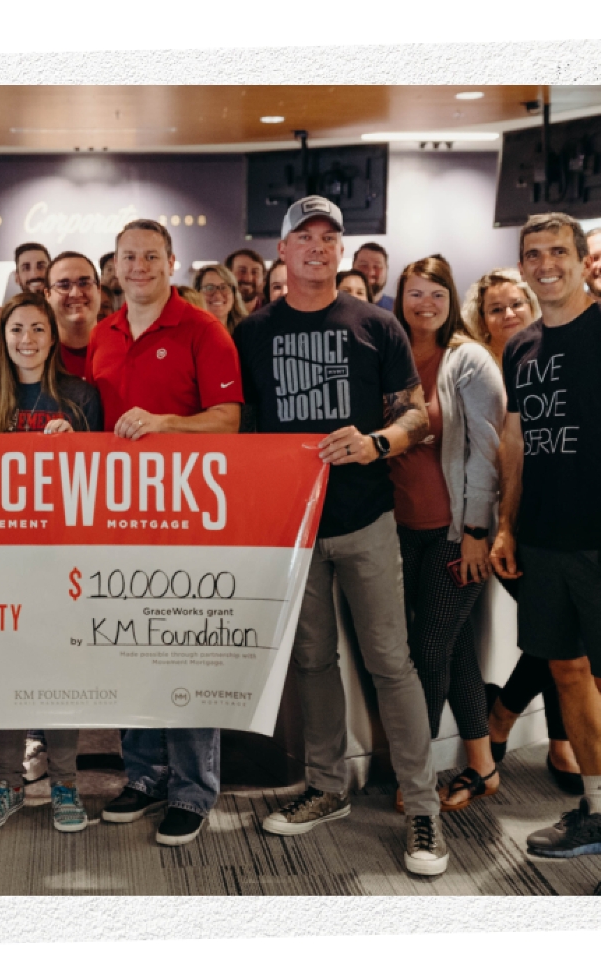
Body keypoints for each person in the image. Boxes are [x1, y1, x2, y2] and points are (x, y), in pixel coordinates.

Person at [232, 196, 448, 877]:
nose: (318, 247)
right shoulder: (253, 332)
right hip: (293, 531)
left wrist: (378, 441)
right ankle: (327, 788)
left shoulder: (376, 325)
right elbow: (237, 430)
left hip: (365, 522)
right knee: (313, 662)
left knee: (391, 662)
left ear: (341, 251)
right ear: (284, 252)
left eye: (330, 237)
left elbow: (418, 416)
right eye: (305, 237)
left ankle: (422, 807)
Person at [490, 212, 601, 895]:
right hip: (542, 543)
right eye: (532, 253)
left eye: (557, 251)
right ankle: (600, 813)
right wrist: (505, 527)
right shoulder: (520, 347)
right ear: (522, 265)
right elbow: (517, 448)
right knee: (567, 674)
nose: (544, 262)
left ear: (582, 259)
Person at [88, 218, 242, 847]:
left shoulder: (204, 329)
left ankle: (192, 789)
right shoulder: (103, 333)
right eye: (129, 257)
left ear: (172, 263)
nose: (140, 266)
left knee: (183, 650)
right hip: (119, 520)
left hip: (186, 520)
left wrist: (166, 425)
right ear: (116, 267)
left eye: (151, 256)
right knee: (130, 649)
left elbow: (228, 421)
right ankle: (144, 775)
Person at [0, 292, 103, 834]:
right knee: (4, 673)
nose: (28, 340)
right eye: (17, 328)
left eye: (38, 329)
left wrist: (80, 447)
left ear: (53, 335)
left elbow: (101, 484)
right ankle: (7, 784)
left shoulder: (79, 397)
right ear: (3, 336)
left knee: (59, 672)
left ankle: (65, 783)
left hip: (61, 560)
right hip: (0, 564)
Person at [387, 256, 505, 812]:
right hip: (400, 531)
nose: (426, 304)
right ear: (400, 297)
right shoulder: (390, 354)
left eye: (436, 293)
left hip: (455, 533)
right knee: (452, 648)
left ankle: (421, 776)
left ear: (450, 297)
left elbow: (486, 453)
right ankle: (482, 766)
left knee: (427, 652)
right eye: (415, 293)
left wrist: (477, 531)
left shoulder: (470, 360)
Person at [461, 268, 583, 791]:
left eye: (517, 304)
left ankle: (550, 736)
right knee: (556, 628)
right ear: (481, 321)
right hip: (495, 521)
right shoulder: (477, 367)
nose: (508, 314)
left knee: (562, 626)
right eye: (496, 308)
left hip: (557, 516)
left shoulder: (552, 357)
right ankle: (509, 718)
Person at [44, 250, 102, 379]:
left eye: (84, 283)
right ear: (47, 295)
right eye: (64, 285)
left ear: (99, 289)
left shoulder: (122, 348)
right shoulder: (38, 355)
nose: (75, 293)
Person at [193, 263, 250, 333]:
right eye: (209, 288)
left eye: (224, 287)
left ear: (234, 294)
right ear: (196, 293)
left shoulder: (248, 333)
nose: (217, 295)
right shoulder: (189, 334)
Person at [353, 242, 393, 310]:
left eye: (377, 266)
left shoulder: (399, 310)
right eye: (363, 265)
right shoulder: (336, 307)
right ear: (352, 267)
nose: (370, 272)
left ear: (387, 270)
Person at [226, 247, 267, 312]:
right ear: (227, 275)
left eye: (255, 272)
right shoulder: (215, 314)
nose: (248, 278)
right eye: (242, 271)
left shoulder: (273, 314)